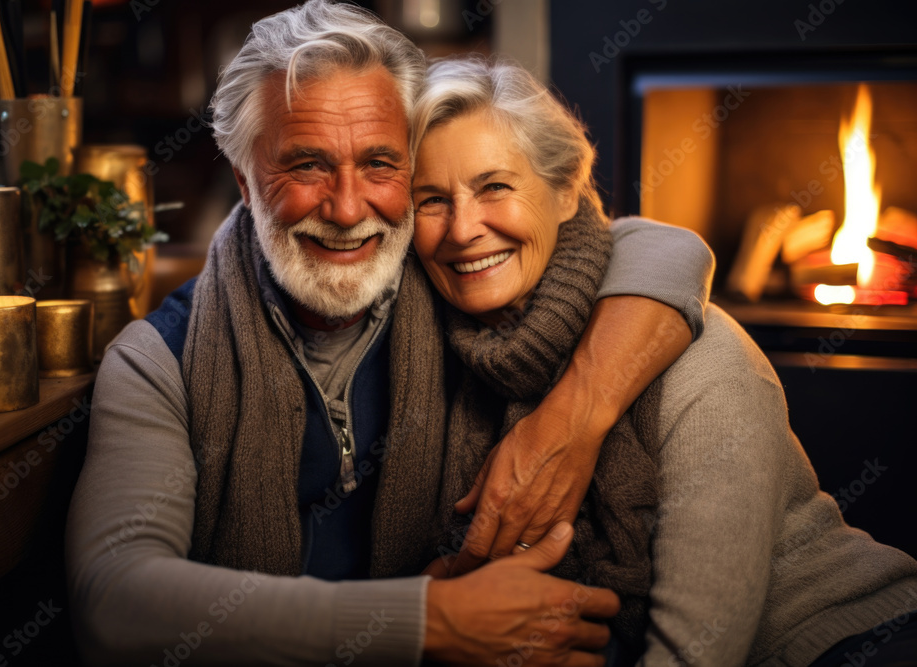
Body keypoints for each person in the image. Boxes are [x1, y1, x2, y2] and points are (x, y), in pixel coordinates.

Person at [65, 2, 715, 664]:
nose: (348, 210)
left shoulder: (455, 270)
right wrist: (423, 621)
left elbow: (654, 248)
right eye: (307, 165)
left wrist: (574, 416)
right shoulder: (158, 363)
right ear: (245, 180)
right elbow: (112, 601)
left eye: (380, 163)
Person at [408, 55, 917, 666]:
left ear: (566, 190)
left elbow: (698, 653)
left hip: (840, 643)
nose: (463, 229)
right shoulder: (423, 352)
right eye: (431, 200)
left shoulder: (700, 357)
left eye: (495, 187)